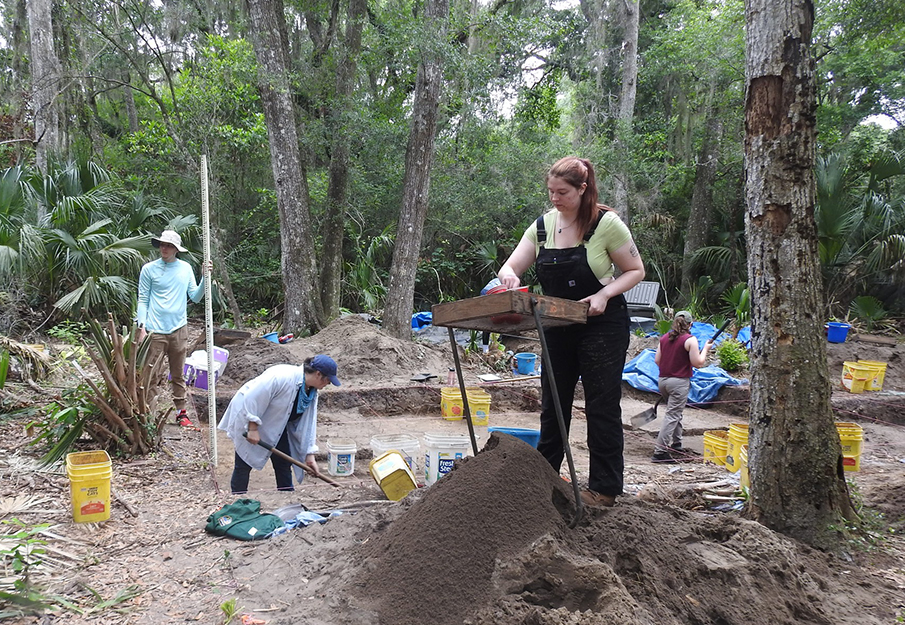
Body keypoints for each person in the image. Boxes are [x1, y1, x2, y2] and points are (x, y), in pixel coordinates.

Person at [498, 156, 645, 507]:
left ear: (583, 189)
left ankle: (604, 490)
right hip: (555, 323)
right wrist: (509, 276)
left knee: (601, 405)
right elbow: (512, 264)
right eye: (550, 191)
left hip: (601, 325)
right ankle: (544, 478)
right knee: (553, 403)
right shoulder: (542, 227)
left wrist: (604, 293)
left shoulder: (607, 225)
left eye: (562, 192)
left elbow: (635, 270)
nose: (554, 198)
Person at [218, 356, 341, 494]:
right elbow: (251, 397)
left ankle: (287, 496)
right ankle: (237, 500)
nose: (328, 384)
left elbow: (308, 424)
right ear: (318, 374)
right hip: (249, 417)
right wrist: (253, 427)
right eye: (328, 380)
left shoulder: (310, 392)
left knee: (283, 461)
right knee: (244, 463)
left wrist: (309, 454)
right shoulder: (281, 377)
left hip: (277, 423)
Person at [136, 230, 211, 428]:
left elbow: (195, 296)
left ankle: (181, 413)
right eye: (162, 244)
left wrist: (205, 278)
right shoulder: (149, 269)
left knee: (178, 374)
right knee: (151, 374)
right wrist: (141, 327)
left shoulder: (185, 268)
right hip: (154, 330)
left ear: (176, 249)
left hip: (179, 329)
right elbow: (143, 299)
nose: (164, 248)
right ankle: (148, 415)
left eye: (168, 245)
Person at [652, 311, 713, 463]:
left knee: (675, 412)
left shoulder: (664, 338)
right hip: (679, 382)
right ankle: (660, 452)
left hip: (663, 380)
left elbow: (657, 361)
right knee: (672, 415)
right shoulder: (690, 340)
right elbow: (698, 362)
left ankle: (677, 444)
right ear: (691, 324)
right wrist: (705, 349)